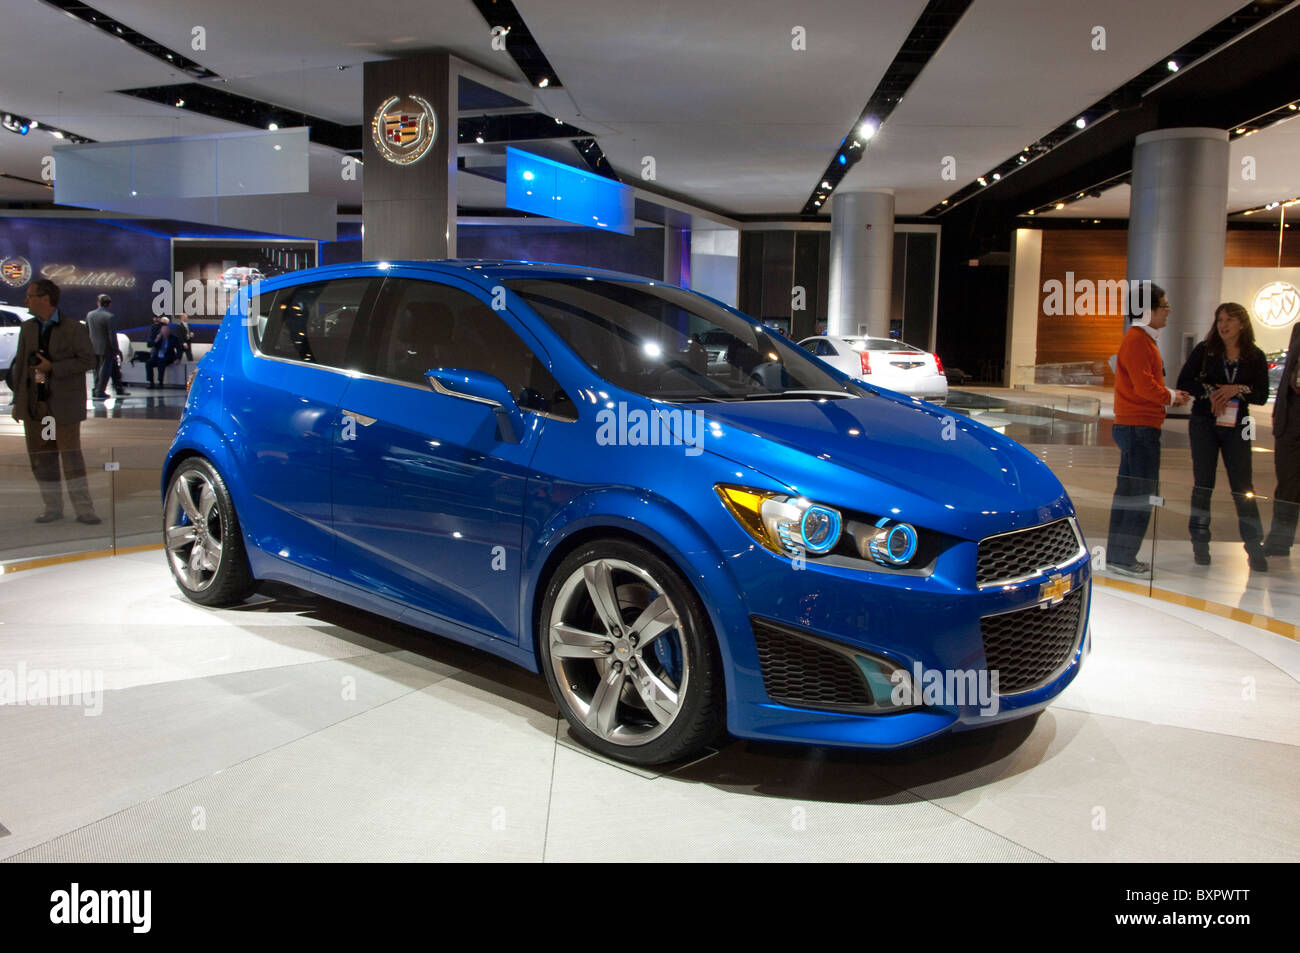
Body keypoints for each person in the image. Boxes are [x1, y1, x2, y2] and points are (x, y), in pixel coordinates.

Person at [1176, 303, 1270, 570]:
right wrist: (1214, 391)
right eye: (1219, 320)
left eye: (1228, 320)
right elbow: (1185, 382)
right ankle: (1200, 542)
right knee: (1203, 484)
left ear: (1242, 323)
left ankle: (1254, 546)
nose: (1223, 325)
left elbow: (1261, 395)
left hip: (1238, 425)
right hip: (1204, 422)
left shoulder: (1255, 356)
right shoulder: (1206, 351)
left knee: (1243, 487)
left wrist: (1236, 388)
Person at [1106, 283, 1191, 576]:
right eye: (1164, 306)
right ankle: (1124, 557)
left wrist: (1167, 394)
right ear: (1148, 310)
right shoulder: (1138, 341)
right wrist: (1170, 397)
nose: (1168, 312)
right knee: (1141, 493)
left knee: (1129, 492)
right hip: (1139, 426)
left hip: (1135, 425)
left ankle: (1119, 554)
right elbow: (1144, 387)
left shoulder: (1139, 339)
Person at [8, 278, 101, 524]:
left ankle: (84, 509)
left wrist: (54, 367)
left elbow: (88, 361)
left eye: (30, 296)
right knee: (42, 458)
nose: (26, 300)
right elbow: (20, 367)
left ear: (45, 299)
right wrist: (18, 401)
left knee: (70, 457)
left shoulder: (73, 328)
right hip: (35, 407)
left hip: (63, 407)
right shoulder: (28, 328)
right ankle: (52, 507)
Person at [1264, 320, 1300, 558]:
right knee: (1287, 485)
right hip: (1290, 422)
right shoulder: (1298, 329)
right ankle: (1279, 541)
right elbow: (1289, 371)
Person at [86, 293, 130, 399]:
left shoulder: (90, 315)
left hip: (93, 347)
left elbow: (86, 330)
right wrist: (116, 349)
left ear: (98, 303)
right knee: (104, 371)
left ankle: (113, 389)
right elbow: (112, 336)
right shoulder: (109, 317)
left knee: (97, 370)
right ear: (109, 304)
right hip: (106, 348)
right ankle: (99, 391)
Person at [145, 321, 182, 388]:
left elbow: (179, 349)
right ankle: (151, 382)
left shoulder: (174, 338)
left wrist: (178, 358)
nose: (166, 332)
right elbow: (149, 345)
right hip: (158, 356)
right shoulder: (158, 337)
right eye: (164, 330)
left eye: (167, 330)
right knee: (148, 363)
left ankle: (160, 382)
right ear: (161, 331)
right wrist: (156, 340)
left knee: (161, 363)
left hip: (168, 357)